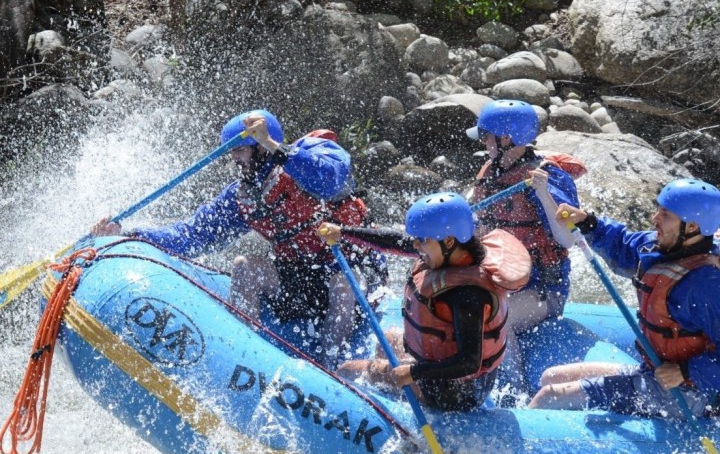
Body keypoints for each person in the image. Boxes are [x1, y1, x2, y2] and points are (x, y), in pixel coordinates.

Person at [92, 109, 386, 367]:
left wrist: (272, 145)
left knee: (341, 284)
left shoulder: (311, 153)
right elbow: (192, 235)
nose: (235, 159)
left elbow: (329, 178)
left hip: (354, 272)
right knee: (245, 266)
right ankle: (247, 357)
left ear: (259, 146)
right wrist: (129, 235)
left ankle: (331, 371)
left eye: (241, 151)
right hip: (302, 278)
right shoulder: (243, 196)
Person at [317, 192, 532, 411]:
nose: (416, 246)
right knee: (390, 337)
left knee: (347, 370)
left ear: (448, 241)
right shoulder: (452, 249)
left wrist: (413, 373)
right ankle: (393, 397)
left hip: (458, 392)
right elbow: (396, 242)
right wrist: (344, 233)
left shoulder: (467, 295)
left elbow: (469, 362)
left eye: (421, 241)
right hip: (454, 376)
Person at [529, 178, 720, 418]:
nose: (655, 219)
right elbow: (623, 245)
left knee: (549, 396)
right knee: (552, 376)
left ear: (691, 227)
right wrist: (587, 222)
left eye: (665, 215)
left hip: (687, 392)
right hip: (653, 372)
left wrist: (685, 371)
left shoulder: (706, 284)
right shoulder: (660, 247)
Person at [466, 99, 580, 399]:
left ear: (506, 139)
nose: (484, 142)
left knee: (492, 318)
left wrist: (543, 194)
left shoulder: (549, 178)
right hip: (501, 281)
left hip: (543, 290)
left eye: (486, 136)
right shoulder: (491, 170)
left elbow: (568, 239)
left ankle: (512, 394)